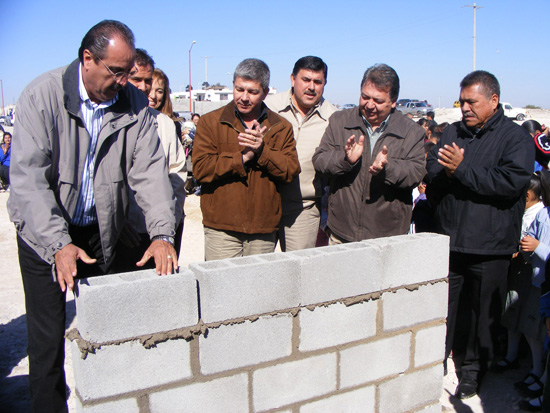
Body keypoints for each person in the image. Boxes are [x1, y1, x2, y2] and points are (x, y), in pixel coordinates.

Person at [8, 20, 178, 412]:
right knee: (47, 336)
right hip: (42, 236)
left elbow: (150, 175)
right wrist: (57, 244)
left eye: (128, 72)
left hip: (100, 229)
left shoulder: (133, 105)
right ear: (88, 59)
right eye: (116, 72)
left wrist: (162, 234)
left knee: (108, 325)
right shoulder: (42, 96)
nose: (124, 82)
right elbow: (28, 183)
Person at [426, 70, 534, 400]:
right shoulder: (452, 133)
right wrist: (445, 172)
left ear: (493, 101)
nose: (465, 109)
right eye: (462, 102)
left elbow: (509, 184)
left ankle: (473, 371)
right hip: (451, 242)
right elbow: (432, 174)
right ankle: (436, 361)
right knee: (446, 309)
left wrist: (462, 169)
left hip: (490, 246)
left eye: (472, 102)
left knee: (482, 315)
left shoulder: (515, 139)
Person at [192, 58, 300, 260]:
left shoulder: (280, 127)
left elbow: (290, 171)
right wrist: (242, 158)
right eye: (239, 89)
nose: (244, 97)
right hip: (221, 228)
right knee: (221, 286)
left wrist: (262, 152)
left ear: (266, 93)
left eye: (252, 92)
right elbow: (201, 169)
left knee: (256, 288)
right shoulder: (211, 123)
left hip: (263, 229)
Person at [312, 63, 426, 243]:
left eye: (378, 101)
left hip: (388, 236)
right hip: (342, 231)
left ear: (394, 101)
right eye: (365, 97)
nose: (370, 105)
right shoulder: (340, 121)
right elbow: (319, 160)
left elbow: (416, 172)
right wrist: (345, 160)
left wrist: (387, 169)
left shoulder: (412, 132)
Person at [117, 49, 186, 271]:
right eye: (137, 79)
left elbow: (176, 175)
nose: (145, 88)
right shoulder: (111, 122)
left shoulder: (164, 124)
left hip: (160, 231)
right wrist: (118, 222)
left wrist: (168, 225)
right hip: (123, 233)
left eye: (148, 81)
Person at [264, 56, 337, 251]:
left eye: (317, 82)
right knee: (257, 271)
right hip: (263, 203)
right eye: (305, 80)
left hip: (303, 208)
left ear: (324, 84)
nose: (311, 87)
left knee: (297, 273)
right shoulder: (267, 107)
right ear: (292, 79)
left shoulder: (333, 118)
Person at [495, 175, 546, 402]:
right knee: (512, 315)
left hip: (538, 279)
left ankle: (538, 372)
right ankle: (511, 356)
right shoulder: (536, 213)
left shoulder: (541, 213)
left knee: (532, 326)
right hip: (522, 271)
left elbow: (538, 244)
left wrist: (535, 248)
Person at [519, 170, 550, 411]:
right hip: (539, 280)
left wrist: (538, 247)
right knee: (533, 331)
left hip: (545, 285)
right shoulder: (545, 214)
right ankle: (539, 375)